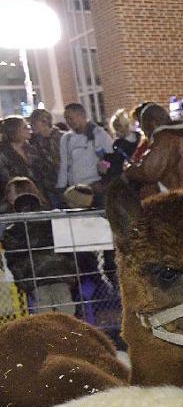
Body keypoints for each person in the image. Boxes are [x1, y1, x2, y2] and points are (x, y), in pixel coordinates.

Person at [1, 177, 77, 315]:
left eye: (10, 192)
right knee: (64, 302)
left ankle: (47, 335)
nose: (8, 196)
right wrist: (71, 267)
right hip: (59, 270)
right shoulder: (51, 216)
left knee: (43, 306)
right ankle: (68, 334)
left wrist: (22, 279)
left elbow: (13, 257)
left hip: (34, 275)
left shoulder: (12, 226)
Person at [123, 102, 183, 196]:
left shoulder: (165, 139)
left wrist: (128, 169)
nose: (145, 134)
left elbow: (148, 172)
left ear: (152, 124)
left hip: (177, 200)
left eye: (144, 128)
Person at [57, 103, 113, 207]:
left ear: (82, 115)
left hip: (96, 188)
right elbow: (64, 165)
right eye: (66, 119)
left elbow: (112, 159)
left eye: (71, 118)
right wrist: (61, 188)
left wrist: (105, 170)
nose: (69, 122)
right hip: (76, 191)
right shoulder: (66, 138)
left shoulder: (99, 134)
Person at [27, 108, 63, 206]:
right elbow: (35, 167)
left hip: (69, 185)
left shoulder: (63, 138)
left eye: (34, 123)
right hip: (50, 189)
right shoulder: (35, 143)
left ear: (45, 121)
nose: (31, 127)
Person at [103, 108, 142, 181]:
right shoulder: (140, 138)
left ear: (121, 129)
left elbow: (111, 162)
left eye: (116, 130)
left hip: (124, 179)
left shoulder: (117, 145)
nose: (115, 134)